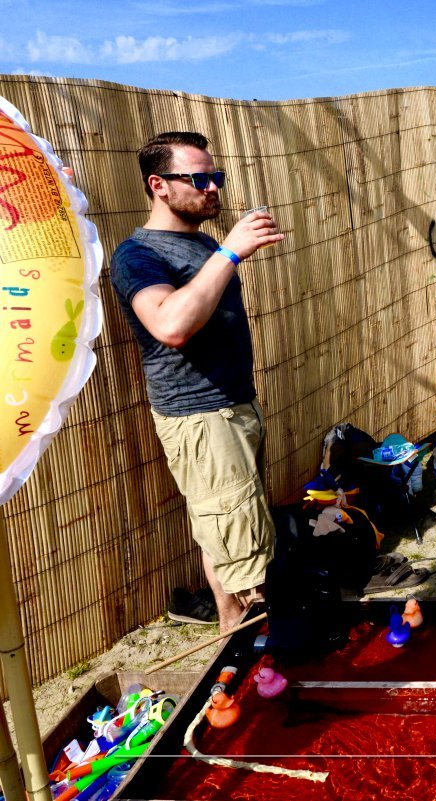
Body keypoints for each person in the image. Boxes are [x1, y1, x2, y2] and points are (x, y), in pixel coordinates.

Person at [110, 132, 284, 632]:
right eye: (199, 179)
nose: (213, 188)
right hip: (200, 417)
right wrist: (229, 253)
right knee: (244, 554)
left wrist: (221, 252)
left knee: (226, 533)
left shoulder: (203, 243)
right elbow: (171, 326)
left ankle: (236, 642)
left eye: (216, 177)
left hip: (234, 405)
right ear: (158, 185)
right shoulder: (136, 255)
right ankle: (250, 644)